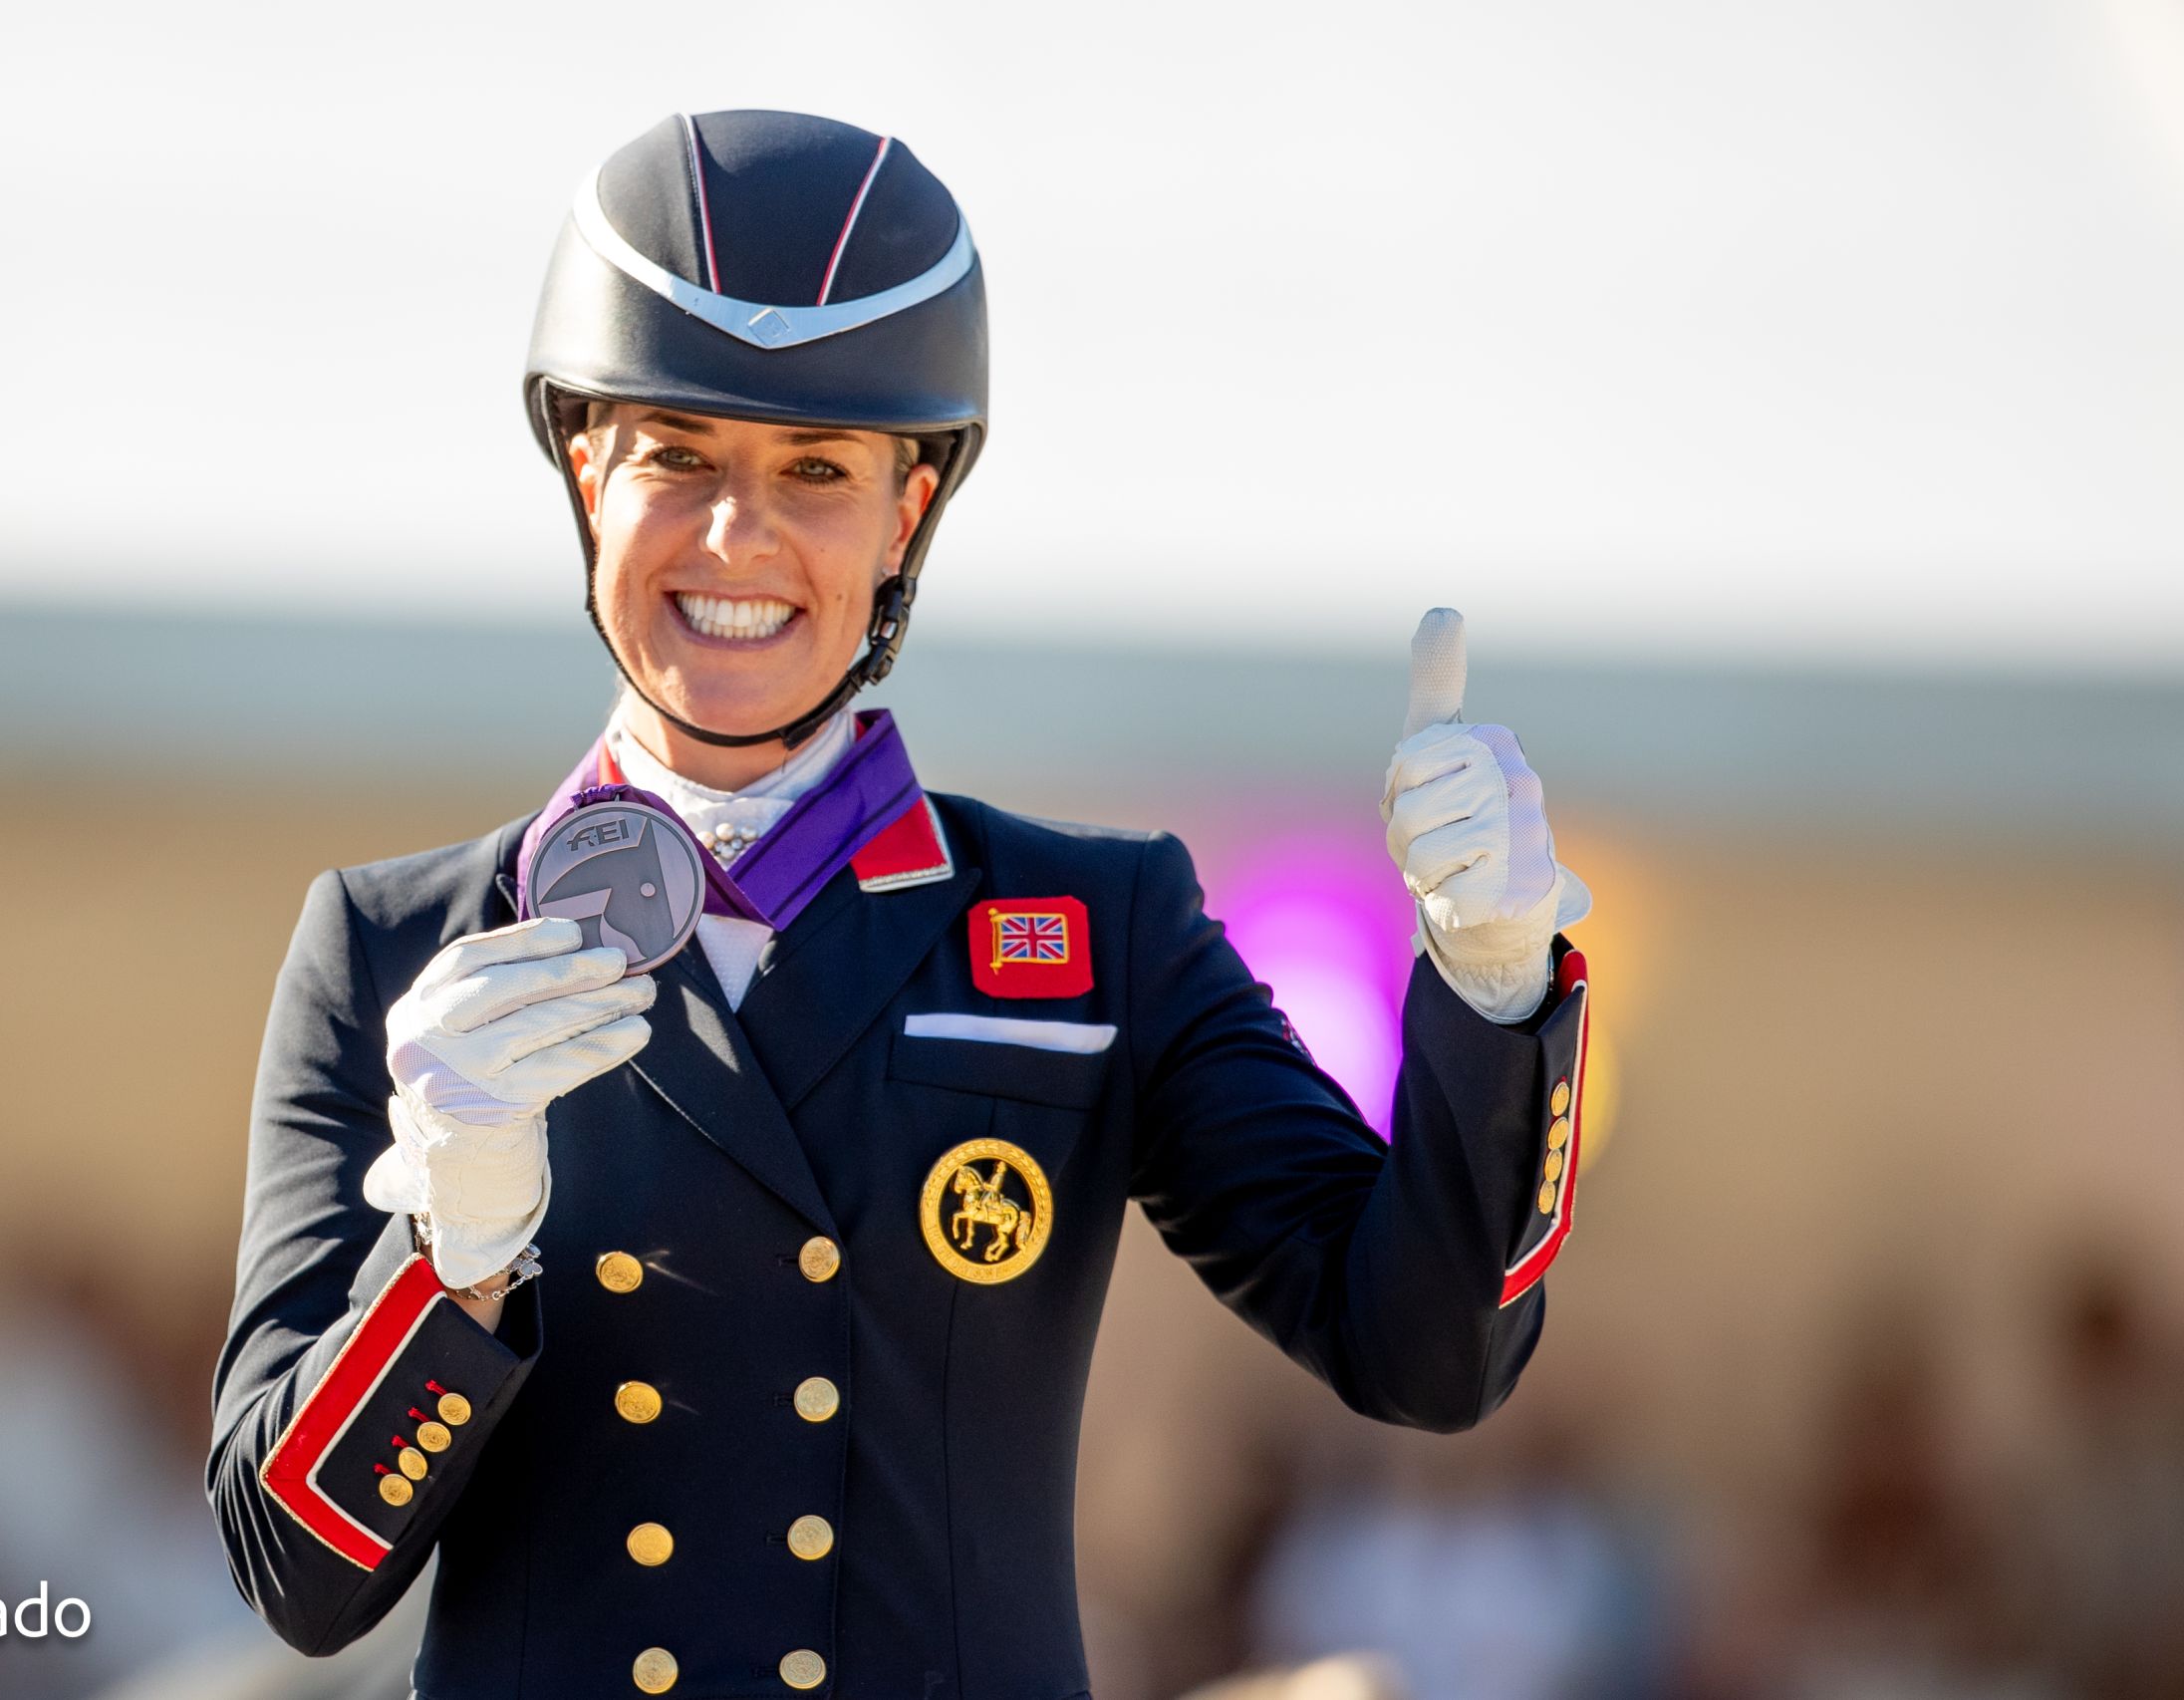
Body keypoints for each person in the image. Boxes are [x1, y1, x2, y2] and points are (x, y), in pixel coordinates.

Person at [208, 110, 1594, 1698]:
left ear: (908, 513)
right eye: (677, 455)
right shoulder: (396, 948)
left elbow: (1424, 1354)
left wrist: (1489, 984)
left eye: (816, 471)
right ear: (585, 467)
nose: (740, 536)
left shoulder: (1095, 928)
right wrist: (450, 1260)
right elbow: (296, 1574)